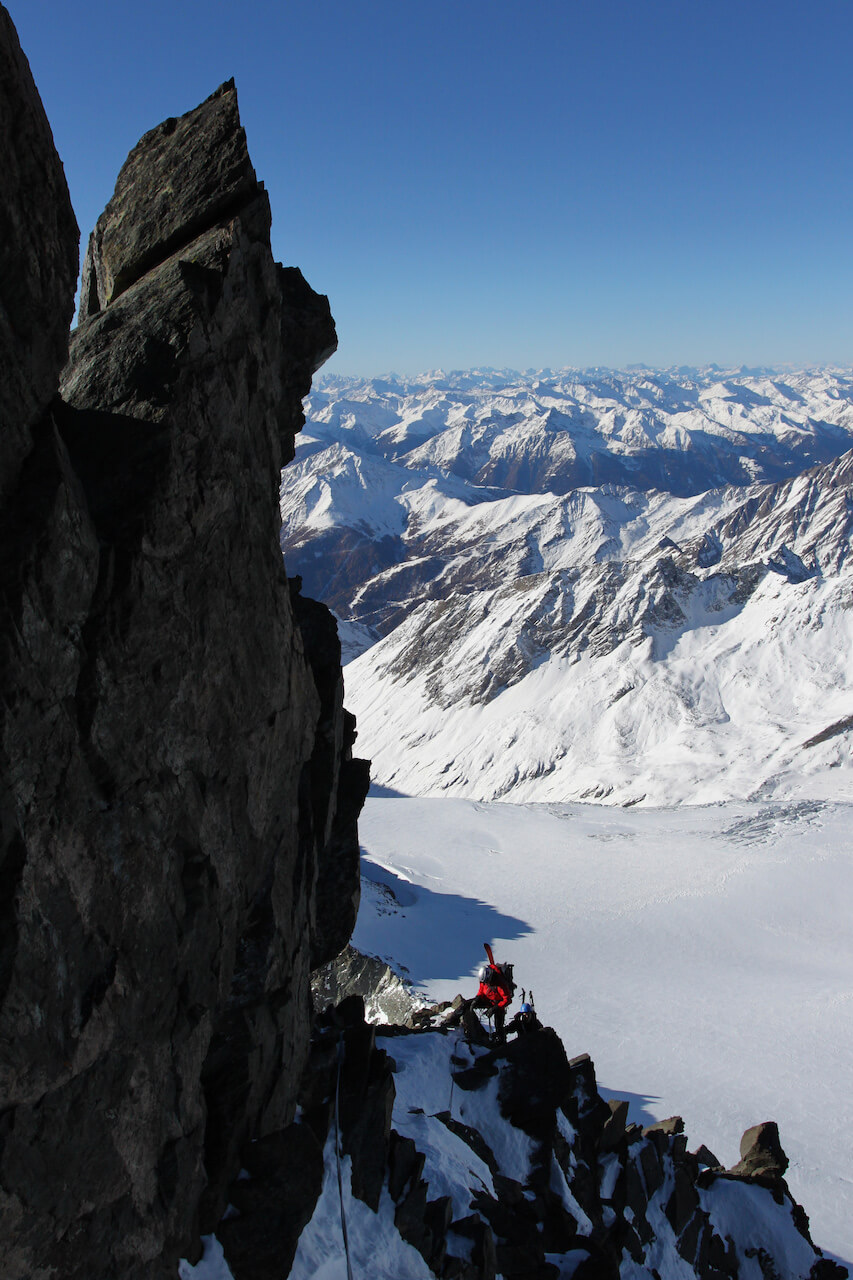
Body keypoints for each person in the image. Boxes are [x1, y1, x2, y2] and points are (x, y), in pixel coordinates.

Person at [470, 945, 513, 1041]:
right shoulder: (484, 980)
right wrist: (477, 998)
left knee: (499, 1026)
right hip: (488, 1000)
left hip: (498, 1004)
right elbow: (481, 990)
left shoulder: (500, 982)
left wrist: (495, 1008)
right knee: (467, 1005)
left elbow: (507, 999)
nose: (485, 983)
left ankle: (501, 1043)